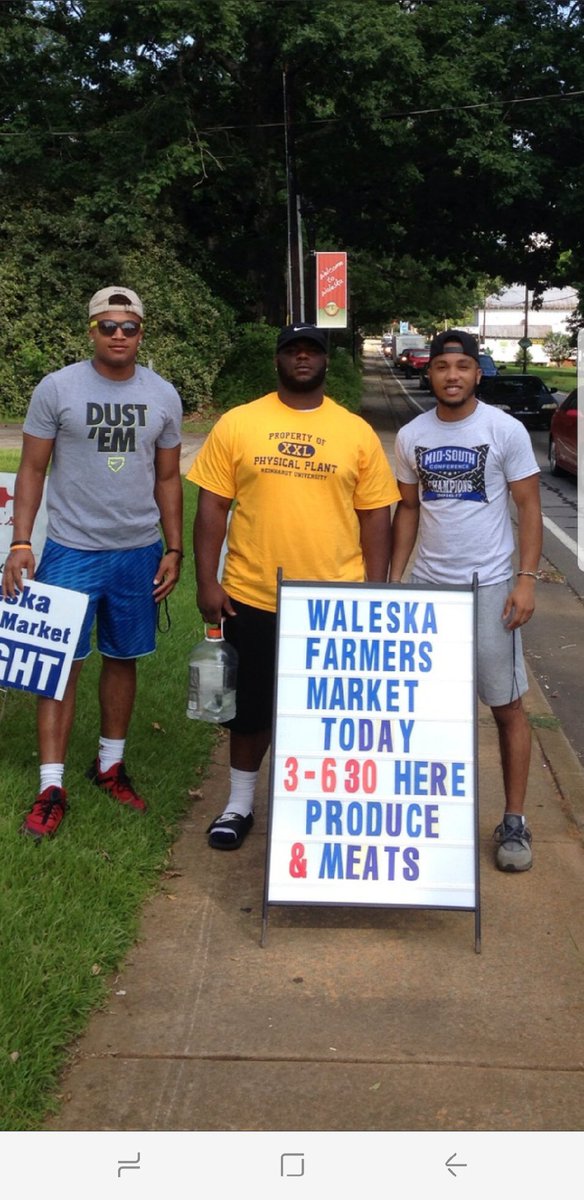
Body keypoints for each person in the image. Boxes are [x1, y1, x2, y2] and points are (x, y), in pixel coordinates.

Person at [187, 322, 401, 850]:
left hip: (336, 602)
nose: (302, 358)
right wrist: (206, 580)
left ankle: (314, 809)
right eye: (292, 350)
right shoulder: (240, 423)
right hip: (252, 594)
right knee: (249, 709)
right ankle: (239, 805)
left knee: (328, 712)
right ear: (278, 360)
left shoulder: (355, 431)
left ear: (328, 362)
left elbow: (376, 516)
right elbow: (212, 506)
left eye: (312, 351)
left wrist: (375, 591)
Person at [2, 286, 183, 839]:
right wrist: (21, 542)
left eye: (129, 327)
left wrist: (173, 548)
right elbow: (32, 470)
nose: (119, 335)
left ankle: (109, 766)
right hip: (72, 551)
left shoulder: (163, 395)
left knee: (123, 657)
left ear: (142, 332)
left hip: (137, 551)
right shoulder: (57, 387)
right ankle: (50, 785)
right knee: (60, 666)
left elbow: (169, 477)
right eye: (108, 326)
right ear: (92, 331)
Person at [390, 329, 543, 872]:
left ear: (478, 373)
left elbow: (528, 507)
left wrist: (526, 579)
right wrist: (394, 580)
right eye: (441, 367)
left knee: (504, 707)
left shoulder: (504, 429)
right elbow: (408, 510)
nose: (451, 375)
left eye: (462, 366)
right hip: (430, 590)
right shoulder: (411, 435)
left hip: (491, 586)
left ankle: (515, 820)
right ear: (427, 373)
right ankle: (436, 816)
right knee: (428, 710)